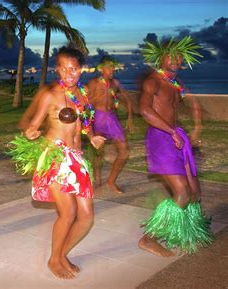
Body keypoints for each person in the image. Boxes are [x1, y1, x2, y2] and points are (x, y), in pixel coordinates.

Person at [9, 47, 105, 279]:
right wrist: (32, 133)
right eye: (64, 69)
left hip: (77, 158)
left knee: (87, 216)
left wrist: (91, 136)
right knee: (68, 211)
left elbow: (85, 122)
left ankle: (62, 254)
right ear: (58, 69)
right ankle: (55, 259)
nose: (69, 74)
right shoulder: (51, 95)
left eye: (74, 69)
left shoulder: (82, 94)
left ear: (80, 70)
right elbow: (35, 124)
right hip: (55, 156)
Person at [137, 36, 213, 256]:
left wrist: (196, 127)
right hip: (161, 138)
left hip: (178, 136)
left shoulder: (176, 83)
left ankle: (186, 230)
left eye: (180, 56)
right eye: (172, 54)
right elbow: (145, 110)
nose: (176, 59)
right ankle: (149, 238)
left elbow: (194, 103)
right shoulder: (153, 81)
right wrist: (171, 132)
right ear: (161, 57)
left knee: (194, 192)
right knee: (182, 193)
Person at [87, 56, 133, 194]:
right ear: (101, 69)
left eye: (113, 67)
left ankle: (111, 181)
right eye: (108, 67)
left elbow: (127, 99)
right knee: (98, 152)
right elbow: (86, 103)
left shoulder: (115, 83)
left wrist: (130, 117)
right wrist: (88, 123)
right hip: (98, 117)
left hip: (112, 119)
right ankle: (97, 181)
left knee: (124, 151)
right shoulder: (94, 83)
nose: (112, 69)